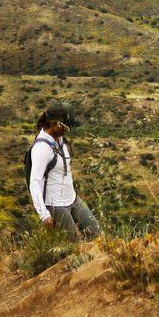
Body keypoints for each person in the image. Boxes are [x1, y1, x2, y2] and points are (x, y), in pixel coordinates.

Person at [27, 101, 100, 241]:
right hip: (55, 205)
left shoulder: (61, 141)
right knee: (73, 244)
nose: (67, 130)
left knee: (96, 234)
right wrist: (44, 215)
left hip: (72, 199)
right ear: (56, 124)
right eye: (66, 127)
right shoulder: (42, 149)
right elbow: (35, 182)